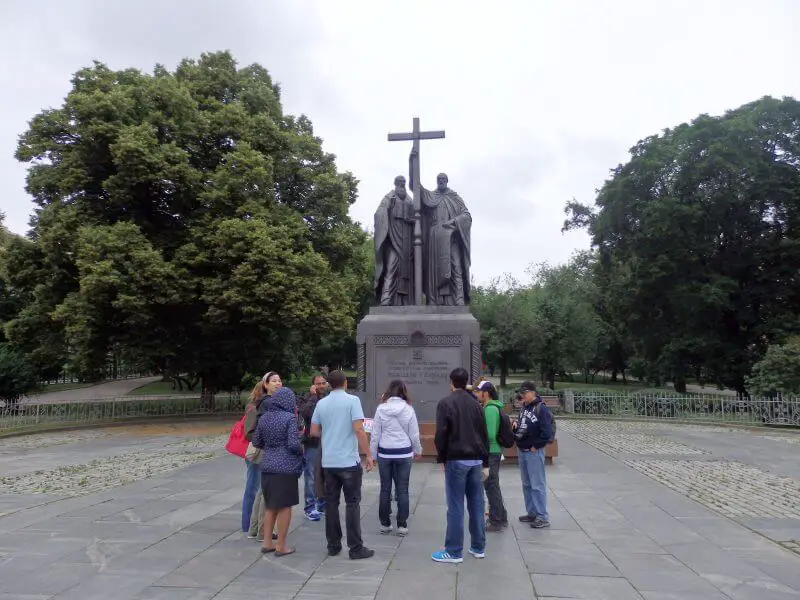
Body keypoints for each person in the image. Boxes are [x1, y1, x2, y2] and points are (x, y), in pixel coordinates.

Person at [310, 370, 375, 560]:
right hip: (348, 461)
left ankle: (333, 544)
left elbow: (314, 431)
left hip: (329, 461)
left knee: (331, 503)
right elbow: (359, 429)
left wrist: (330, 433)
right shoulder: (352, 401)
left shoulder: (321, 403)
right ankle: (355, 547)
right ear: (346, 383)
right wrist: (368, 454)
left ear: (329, 384)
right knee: (352, 504)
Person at [431, 368, 489, 564]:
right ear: (466, 383)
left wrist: (442, 458)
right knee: (477, 503)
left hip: (456, 459)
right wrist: (486, 461)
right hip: (476, 460)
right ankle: (478, 546)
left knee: (455, 505)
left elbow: (441, 435)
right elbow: (483, 433)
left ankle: (454, 551)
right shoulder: (476, 403)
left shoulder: (446, 403)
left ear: (451, 382)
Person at [251, 386, 303, 556]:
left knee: (270, 506)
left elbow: (257, 442)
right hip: (286, 467)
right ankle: (281, 545)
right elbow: (293, 444)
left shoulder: (264, 417)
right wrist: (301, 446)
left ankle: (267, 542)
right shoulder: (290, 418)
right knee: (285, 507)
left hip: (267, 466)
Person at [369, 379, 422, 536]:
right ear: (404, 392)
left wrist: (372, 455)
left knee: (385, 488)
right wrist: (418, 450)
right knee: (403, 488)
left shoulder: (381, 409)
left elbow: (375, 434)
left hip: (385, 452)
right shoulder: (408, 409)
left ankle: (385, 524)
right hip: (404, 452)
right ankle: (402, 524)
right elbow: (414, 434)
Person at [244, 372, 282, 541]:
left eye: (280, 380)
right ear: (266, 385)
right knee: (267, 491)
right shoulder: (269, 403)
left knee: (262, 490)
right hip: (268, 449)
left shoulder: (265, 402)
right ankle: (262, 531)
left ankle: (254, 529)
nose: (278, 383)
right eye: (274, 381)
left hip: (265, 448)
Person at [513, 381, 553, 529]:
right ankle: (532, 512)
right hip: (522, 449)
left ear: (532, 392)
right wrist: (516, 426)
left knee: (537, 484)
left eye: (524, 393)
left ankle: (542, 516)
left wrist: (536, 446)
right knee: (527, 484)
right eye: (521, 393)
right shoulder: (524, 406)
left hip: (533, 451)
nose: (522, 396)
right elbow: (523, 423)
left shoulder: (540, 408)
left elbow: (547, 433)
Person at [475, 380, 508, 531]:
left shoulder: (490, 409)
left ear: (486, 393)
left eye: (479, 391)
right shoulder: (493, 407)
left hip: (491, 451)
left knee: (491, 486)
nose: (477, 394)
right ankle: (501, 517)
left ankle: (496, 521)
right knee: (493, 485)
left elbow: (489, 434)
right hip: (494, 451)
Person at [299, 373, 329, 521]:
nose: (321, 386)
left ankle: (322, 504)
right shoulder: (308, 398)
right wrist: (312, 397)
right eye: (318, 383)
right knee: (311, 476)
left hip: (328, 442)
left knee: (325, 475)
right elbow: (305, 414)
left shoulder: (330, 397)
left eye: (323, 383)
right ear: (313, 385)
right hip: (312, 442)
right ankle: (309, 507)